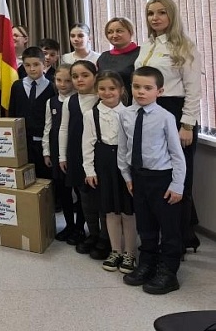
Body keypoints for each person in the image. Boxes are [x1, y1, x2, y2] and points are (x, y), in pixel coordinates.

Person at [134, 0, 201, 254]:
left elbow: (193, 90)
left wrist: (187, 125)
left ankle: (181, 239)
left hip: (176, 113)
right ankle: (161, 236)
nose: (155, 18)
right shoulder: (147, 45)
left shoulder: (184, 46)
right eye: (151, 13)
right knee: (156, 177)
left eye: (161, 12)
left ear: (172, 15)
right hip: (149, 112)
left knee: (179, 178)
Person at [118, 66, 186, 295]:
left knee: (169, 227)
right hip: (138, 177)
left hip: (162, 179)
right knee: (145, 225)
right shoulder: (125, 114)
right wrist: (127, 176)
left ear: (160, 91)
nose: (141, 92)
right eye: (136, 86)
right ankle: (147, 263)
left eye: (148, 88)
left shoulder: (166, 117)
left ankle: (168, 272)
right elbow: (123, 149)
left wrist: (177, 185)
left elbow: (177, 154)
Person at [83, 71, 136, 275]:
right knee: (110, 211)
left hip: (125, 165)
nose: (107, 92)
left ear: (121, 90)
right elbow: (87, 144)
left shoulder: (130, 113)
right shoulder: (91, 115)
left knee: (128, 211)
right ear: (97, 91)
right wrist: (89, 170)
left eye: (112, 88)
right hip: (104, 164)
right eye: (102, 89)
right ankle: (116, 251)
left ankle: (130, 252)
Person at [58, 60, 101, 253]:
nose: (79, 80)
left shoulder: (103, 98)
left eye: (85, 75)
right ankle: (87, 231)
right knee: (83, 194)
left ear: (95, 77)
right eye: (75, 76)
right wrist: (62, 155)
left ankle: (104, 235)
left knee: (98, 195)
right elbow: (63, 129)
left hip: (98, 154)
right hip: (76, 153)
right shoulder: (70, 101)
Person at [9, 47, 56, 178]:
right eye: (27, 65)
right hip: (22, 142)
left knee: (44, 177)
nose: (32, 69)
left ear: (44, 64)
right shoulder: (17, 86)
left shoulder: (52, 87)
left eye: (36, 64)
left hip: (43, 143)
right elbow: (12, 113)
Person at [43, 64, 77, 242]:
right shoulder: (51, 102)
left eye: (67, 80)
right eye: (58, 80)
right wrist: (46, 152)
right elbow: (47, 128)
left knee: (79, 192)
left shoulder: (78, 100)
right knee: (63, 191)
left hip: (75, 151)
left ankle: (80, 228)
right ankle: (69, 225)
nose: (63, 84)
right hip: (57, 151)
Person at [97, 17, 140, 99]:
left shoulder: (141, 53)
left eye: (119, 31)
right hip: (106, 102)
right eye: (110, 32)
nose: (114, 35)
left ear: (130, 32)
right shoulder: (103, 57)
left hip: (133, 102)